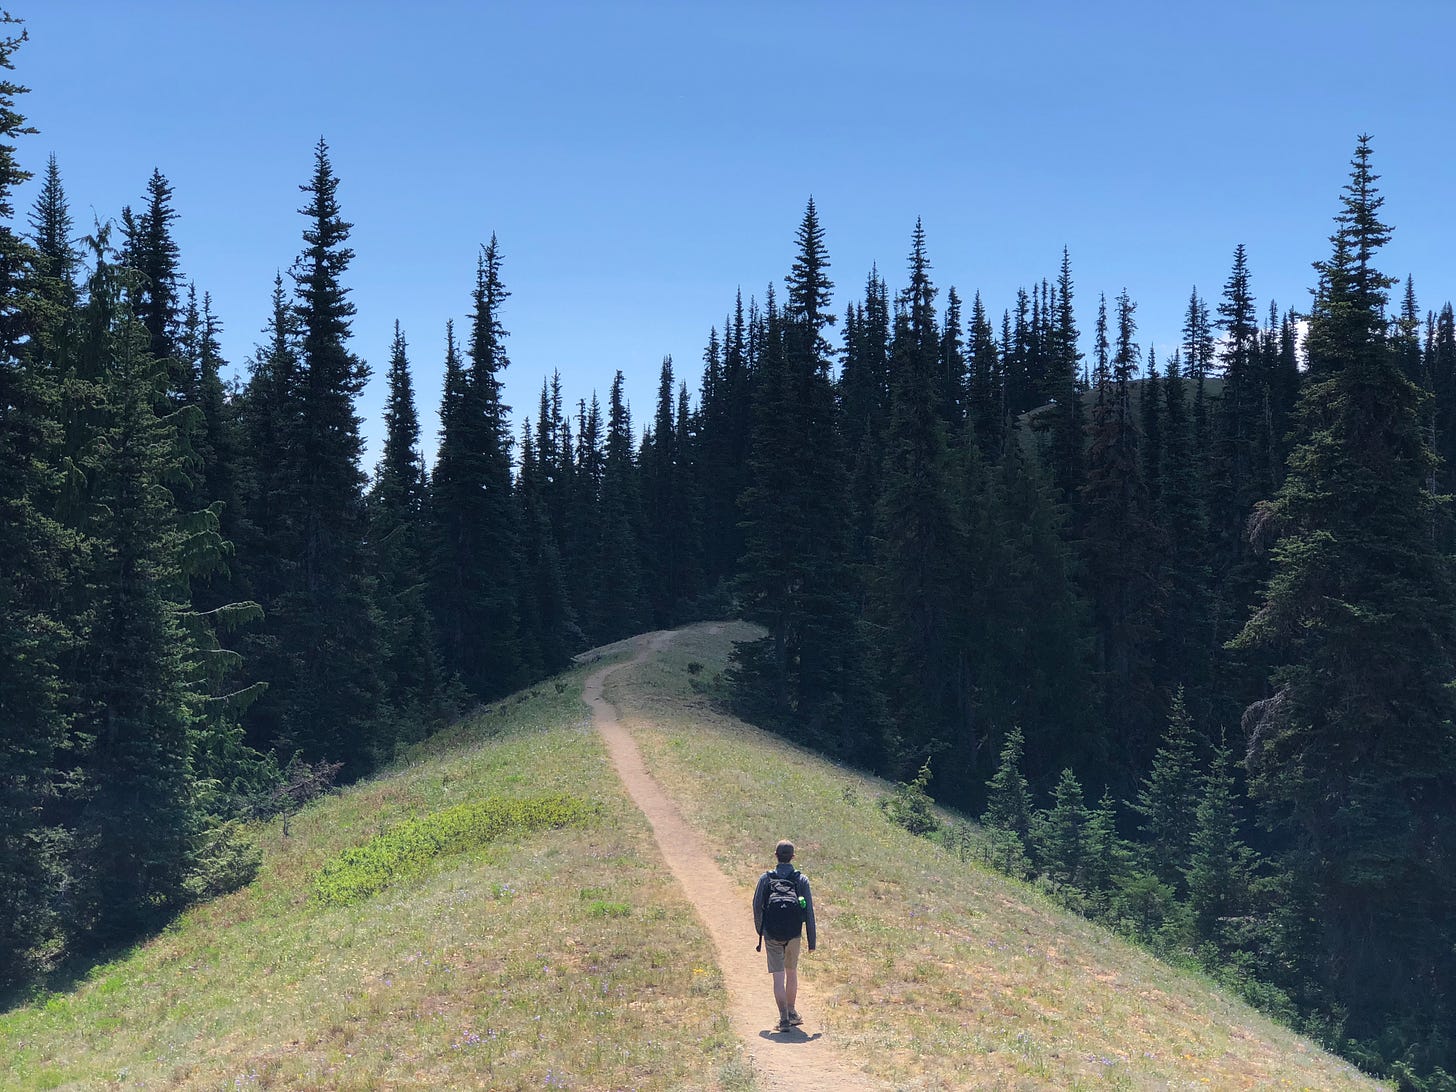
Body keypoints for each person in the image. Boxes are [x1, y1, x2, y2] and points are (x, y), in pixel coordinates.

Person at [752, 839, 816, 1032]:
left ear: (776, 856)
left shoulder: (766, 879)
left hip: (772, 934)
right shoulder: (801, 880)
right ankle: (792, 1011)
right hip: (794, 933)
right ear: (793, 857)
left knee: (778, 978)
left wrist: (761, 930)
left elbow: (756, 907)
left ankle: (783, 1018)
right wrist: (811, 941)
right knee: (792, 973)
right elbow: (809, 912)